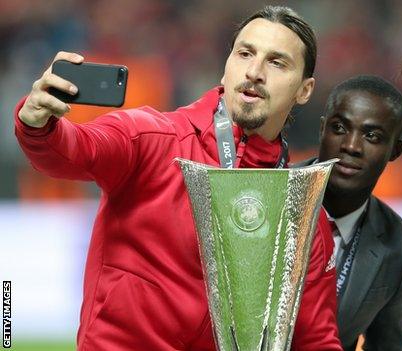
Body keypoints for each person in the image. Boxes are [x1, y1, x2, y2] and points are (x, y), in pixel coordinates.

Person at [14, 6, 341, 350]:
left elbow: (316, 339)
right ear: (226, 68)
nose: (255, 71)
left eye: (277, 62)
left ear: (305, 90)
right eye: (245, 53)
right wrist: (39, 124)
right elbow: (74, 150)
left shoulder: (300, 215)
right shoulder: (152, 138)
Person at [295, 75, 402, 350]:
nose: (351, 146)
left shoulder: (401, 248)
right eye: (339, 128)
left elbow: (388, 345)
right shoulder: (266, 194)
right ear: (321, 129)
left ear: (395, 150)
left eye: (372, 136)